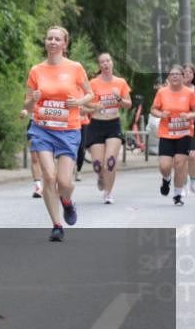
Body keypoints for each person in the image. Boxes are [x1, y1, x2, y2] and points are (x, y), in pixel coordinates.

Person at [25, 27, 93, 243]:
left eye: (57, 39)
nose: (52, 42)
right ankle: (56, 225)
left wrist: (78, 102)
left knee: (65, 182)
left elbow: (90, 93)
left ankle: (67, 201)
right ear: (45, 42)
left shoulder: (75, 68)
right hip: (42, 128)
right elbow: (27, 103)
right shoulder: (36, 70)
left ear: (65, 44)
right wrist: (32, 99)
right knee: (49, 177)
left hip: (68, 130)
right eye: (49, 38)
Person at [87, 53, 132, 204]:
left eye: (108, 61)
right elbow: (85, 105)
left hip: (113, 124)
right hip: (96, 125)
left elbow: (128, 104)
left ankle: (108, 193)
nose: (105, 64)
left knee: (110, 162)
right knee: (98, 165)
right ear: (99, 66)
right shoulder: (93, 83)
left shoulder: (120, 82)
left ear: (112, 63)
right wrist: (95, 106)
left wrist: (119, 98)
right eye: (102, 62)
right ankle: (100, 176)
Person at [150, 64, 195, 205]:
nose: (175, 76)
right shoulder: (162, 92)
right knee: (165, 166)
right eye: (172, 74)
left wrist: (189, 116)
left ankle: (177, 194)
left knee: (180, 164)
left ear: (183, 77)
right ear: (168, 77)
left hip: (184, 134)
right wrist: (161, 114)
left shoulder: (189, 93)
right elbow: (153, 109)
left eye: (178, 74)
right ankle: (166, 179)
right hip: (166, 134)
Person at [18, 109, 44, 198]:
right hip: (34, 125)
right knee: (35, 158)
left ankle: (51, 185)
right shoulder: (32, 94)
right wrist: (25, 111)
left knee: (49, 158)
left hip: (51, 126)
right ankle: (38, 187)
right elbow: (28, 105)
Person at [183, 63, 195, 197]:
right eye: (185, 72)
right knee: (182, 157)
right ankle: (183, 182)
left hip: (194, 125)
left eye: (190, 72)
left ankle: (193, 181)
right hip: (179, 126)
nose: (187, 74)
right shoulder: (176, 89)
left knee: (192, 156)